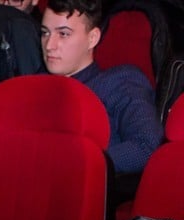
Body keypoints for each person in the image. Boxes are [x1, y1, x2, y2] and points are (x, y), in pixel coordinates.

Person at [41, 0, 162, 175]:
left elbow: (147, 145)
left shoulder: (118, 82)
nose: (49, 45)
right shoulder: (31, 86)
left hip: (88, 183)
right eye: (45, 33)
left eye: (63, 34)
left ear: (92, 38)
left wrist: (78, 162)